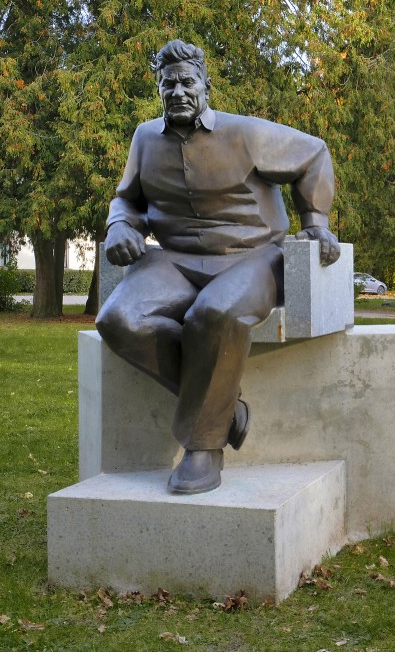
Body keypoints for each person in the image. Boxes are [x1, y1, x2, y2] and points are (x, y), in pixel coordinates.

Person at [96, 39, 340, 495]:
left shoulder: (245, 133)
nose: (178, 92)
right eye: (168, 84)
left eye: (187, 82)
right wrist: (121, 226)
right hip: (174, 260)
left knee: (214, 313)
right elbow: (127, 199)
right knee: (118, 320)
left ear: (206, 86)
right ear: (158, 89)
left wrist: (315, 222)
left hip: (252, 257)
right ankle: (224, 407)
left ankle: (204, 446)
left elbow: (314, 155)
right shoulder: (145, 139)